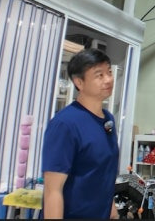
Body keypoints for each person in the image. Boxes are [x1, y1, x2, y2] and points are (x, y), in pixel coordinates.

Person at [42, 48, 120, 219]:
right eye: (99, 75)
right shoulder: (65, 124)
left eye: (109, 72)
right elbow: (52, 190)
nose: (108, 79)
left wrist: (111, 206)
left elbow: (101, 171)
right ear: (79, 82)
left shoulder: (108, 120)